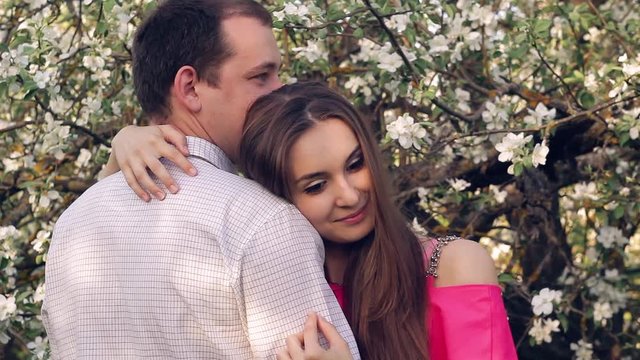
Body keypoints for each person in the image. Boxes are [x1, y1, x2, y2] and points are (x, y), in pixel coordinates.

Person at [106, 82, 519, 359]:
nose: (350, 194)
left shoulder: (451, 266)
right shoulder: (274, 278)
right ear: (278, 195)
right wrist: (120, 151)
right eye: (316, 185)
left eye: (355, 164)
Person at [42, 1, 359, 359]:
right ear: (190, 88)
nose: (280, 90)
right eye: (261, 76)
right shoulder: (263, 224)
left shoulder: (72, 225)